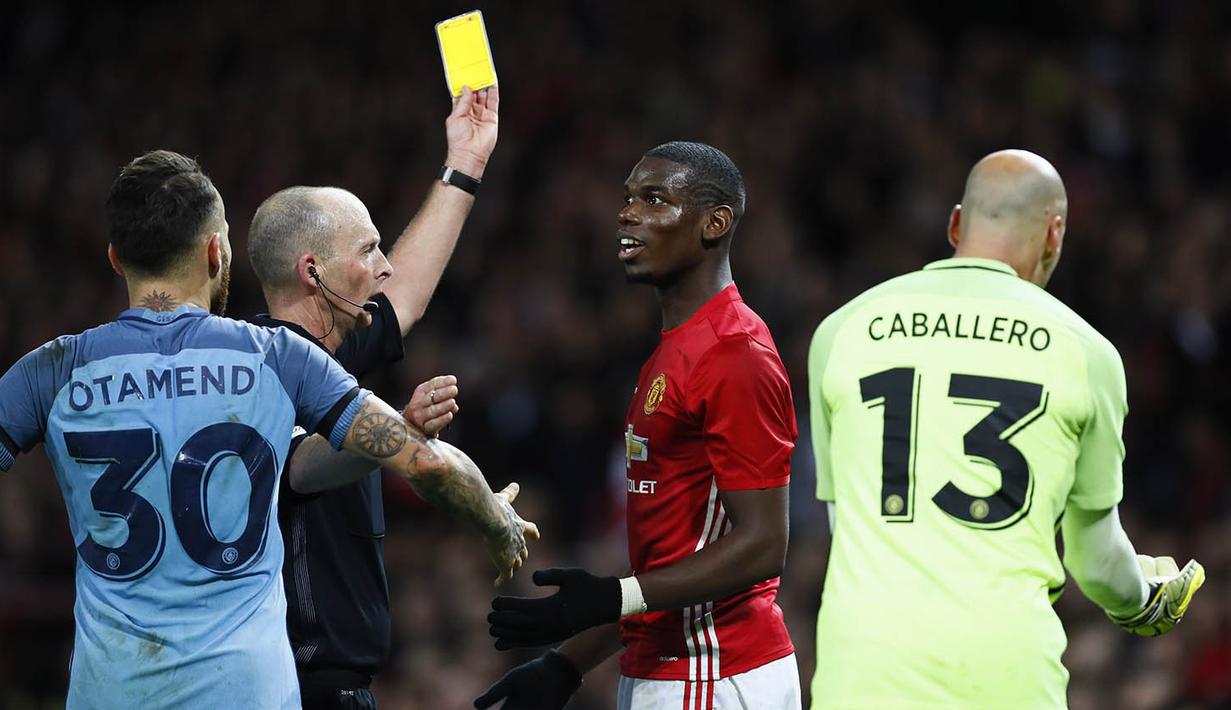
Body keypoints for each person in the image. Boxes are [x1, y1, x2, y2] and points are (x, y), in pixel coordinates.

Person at [0, 150, 536, 710]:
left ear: (115, 258)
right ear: (217, 251)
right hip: (246, 692)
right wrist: (496, 521)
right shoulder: (273, 358)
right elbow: (425, 461)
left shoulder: (54, 369)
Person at [807, 149, 1205, 708]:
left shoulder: (840, 330)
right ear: (1054, 235)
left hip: (863, 670)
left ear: (954, 224)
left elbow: (844, 522)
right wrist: (1143, 600)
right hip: (1008, 675)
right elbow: (1093, 561)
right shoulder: (1087, 353)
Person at [478, 142, 801, 710]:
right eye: (628, 198)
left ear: (714, 222)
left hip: (714, 672)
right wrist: (566, 664)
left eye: (655, 200)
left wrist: (611, 597)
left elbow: (762, 545)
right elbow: (675, 556)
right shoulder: (672, 352)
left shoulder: (734, 352)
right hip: (670, 671)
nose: (628, 213)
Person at [245, 85, 499, 709]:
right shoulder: (263, 373)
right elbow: (304, 469)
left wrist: (465, 163)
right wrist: (393, 433)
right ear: (314, 273)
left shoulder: (324, 354)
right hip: (296, 689)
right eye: (367, 250)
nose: (384, 267)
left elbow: (404, 296)